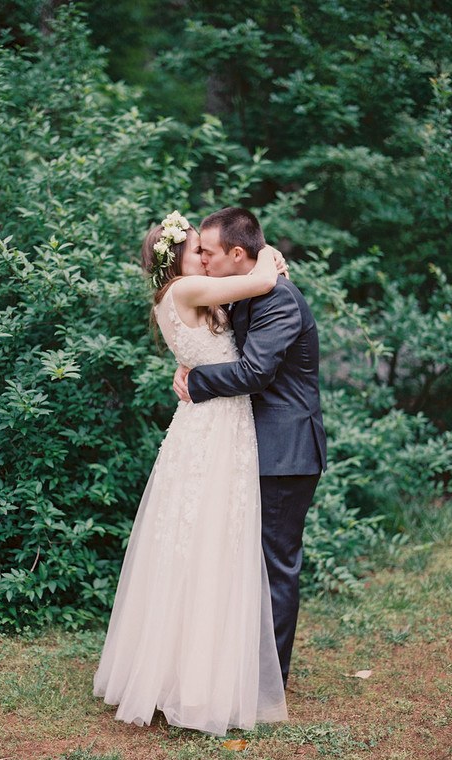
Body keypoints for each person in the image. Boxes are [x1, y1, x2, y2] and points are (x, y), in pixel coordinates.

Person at [93, 210, 288, 736]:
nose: (204, 255)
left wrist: (193, 368)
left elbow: (223, 325)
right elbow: (262, 280)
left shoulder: (176, 295)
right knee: (208, 543)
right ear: (176, 256)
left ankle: (181, 672)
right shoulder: (186, 288)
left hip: (204, 423)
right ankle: (194, 683)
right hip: (217, 427)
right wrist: (270, 253)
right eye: (197, 248)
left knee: (195, 542)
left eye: (206, 249)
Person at [173, 207, 327, 688]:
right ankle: (240, 665)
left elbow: (254, 373)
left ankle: (268, 680)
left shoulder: (278, 298)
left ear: (238, 254)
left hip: (287, 449)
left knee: (276, 563)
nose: (202, 260)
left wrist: (197, 380)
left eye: (209, 253)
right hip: (253, 445)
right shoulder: (247, 291)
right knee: (246, 558)